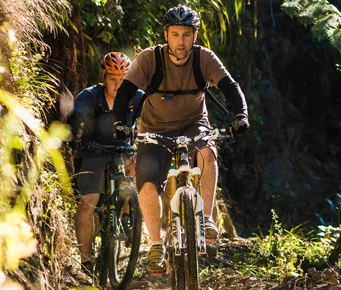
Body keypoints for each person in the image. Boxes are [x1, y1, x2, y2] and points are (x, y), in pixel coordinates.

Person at [109, 5, 250, 275]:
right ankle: (155, 245)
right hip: (155, 129)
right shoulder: (150, 59)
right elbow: (126, 91)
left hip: (194, 124)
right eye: (175, 34)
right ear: (166, 35)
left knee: (208, 154)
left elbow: (230, 87)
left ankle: (206, 219)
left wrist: (241, 115)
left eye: (186, 34)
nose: (181, 42)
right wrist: (120, 124)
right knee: (148, 184)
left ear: (194, 36)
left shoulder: (204, 59)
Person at [65, 52, 145, 273]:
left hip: (124, 150)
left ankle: (130, 215)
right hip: (92, 151)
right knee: (88, 201)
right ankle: (86, 262)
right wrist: (71, 136)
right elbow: (75, 118)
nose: (117, 85)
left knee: (140, 163)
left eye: (123, 80)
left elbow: (154, 115)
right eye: (112, 79)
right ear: (104, 78)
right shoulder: (90, 96)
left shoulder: (136, 97)